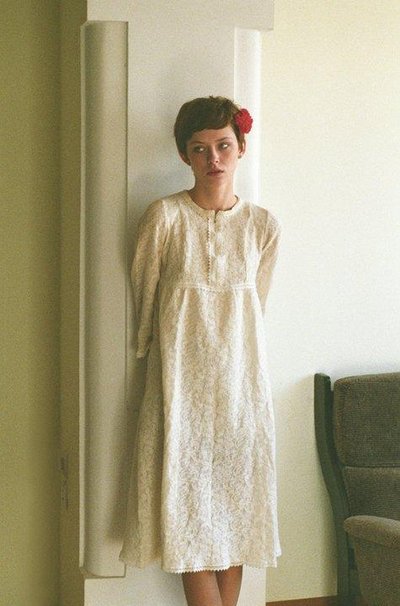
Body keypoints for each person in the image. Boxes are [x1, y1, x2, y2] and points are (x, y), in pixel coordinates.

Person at [119, 95, 281, 606]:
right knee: (186, 516)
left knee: (235, 513)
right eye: (200, 148)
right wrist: (149, 353)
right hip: (179, 389)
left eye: (223, 146)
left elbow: (257, 308)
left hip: (241, 391)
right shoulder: (164, 219)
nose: (214, 159)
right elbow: (145, 302)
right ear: (184, 155)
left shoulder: (263, 226)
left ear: (241, 148)